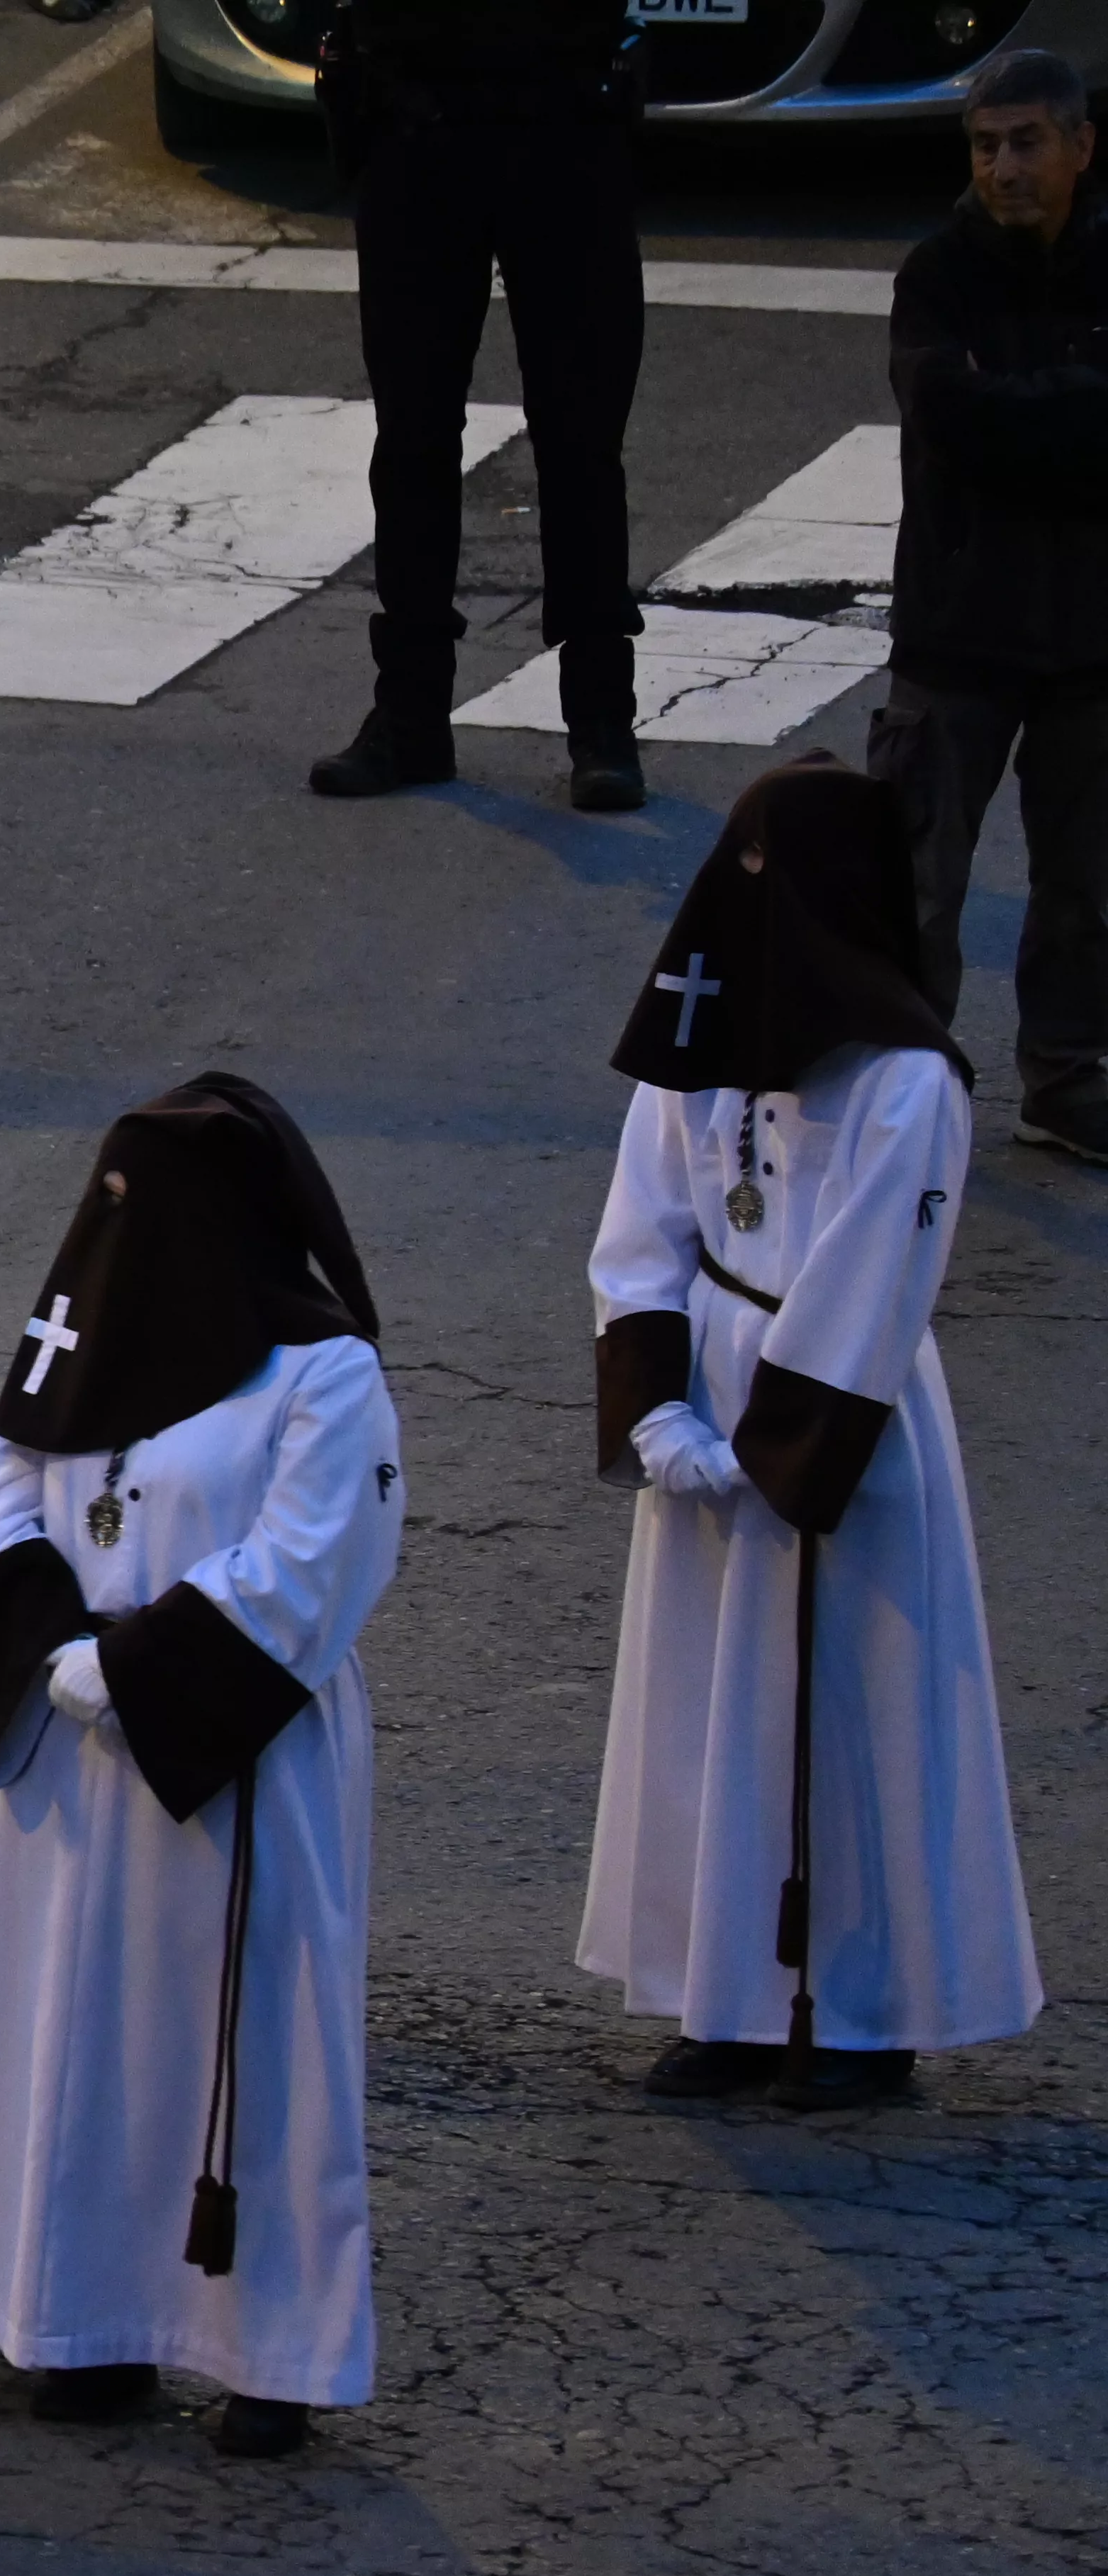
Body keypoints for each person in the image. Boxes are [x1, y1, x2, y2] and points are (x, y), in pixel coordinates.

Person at [0, 1075, 403, 2463]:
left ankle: (264, 2348)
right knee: (72, 2050)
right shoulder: (74, 1346)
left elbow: (314, 1561)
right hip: (72, 1740)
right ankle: (81, 2323)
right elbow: (0, 1488)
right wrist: (54, 1643)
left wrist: (150, 1664)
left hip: (230, 1756)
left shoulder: (321, 1372)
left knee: (236, 2050)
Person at [580, 756, 1040, 2115]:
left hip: (838, 1430)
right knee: (702, 1712)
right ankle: (720, 1996)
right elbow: (638, 1228)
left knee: (845, 1715)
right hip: (707, 1410)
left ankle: (853, 2011)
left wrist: (768, 1452)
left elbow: (866, 1291)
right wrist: (656, 1406)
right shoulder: (693, 1046)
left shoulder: (907, 1085)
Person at [310, 0, 645, 812]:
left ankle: (602, 723)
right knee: (414, 437)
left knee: (580, 438)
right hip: (414, 123)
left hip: (566, 118)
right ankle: (411, 714)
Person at [869, 49, 1108, 1171]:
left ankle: (1064, 1081)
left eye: (1024, 143)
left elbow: (997, 422)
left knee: (1088, 890)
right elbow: (954, 417)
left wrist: (1022, 420)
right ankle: (903, 1100)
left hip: (1089, 638)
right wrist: (1068, 419)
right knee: (914, 894)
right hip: (957, 634)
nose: (1003, 167)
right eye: (984, 145)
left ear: (1080, 147)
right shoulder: (938, 276)